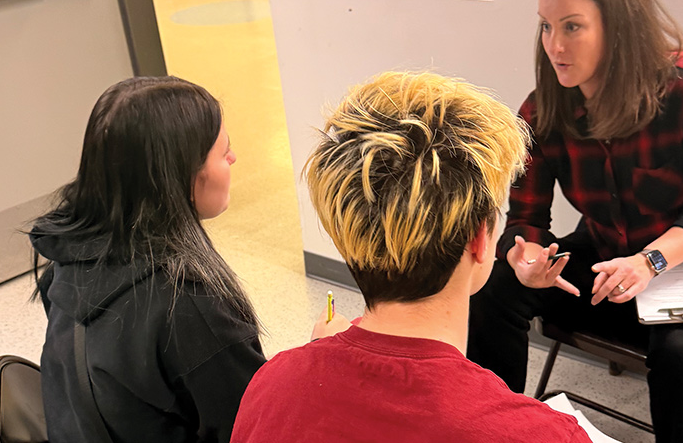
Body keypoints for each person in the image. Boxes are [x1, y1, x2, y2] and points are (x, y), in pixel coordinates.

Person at [466, 0, 683, 443]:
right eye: (546, 26)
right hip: (609, 262)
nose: (554, 45)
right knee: (492, 288)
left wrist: (649, 263)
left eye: (572, 26)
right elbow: (526, 216)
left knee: (682, 354)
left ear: (618, 25)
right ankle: (497, 432)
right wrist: (527, 258)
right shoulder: (543, 110)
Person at [231, 72, 591, 443]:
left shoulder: (270, 387)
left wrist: (314, 364)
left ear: (348, 230)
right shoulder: (546, 434)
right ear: (480, 239)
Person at [31, 76, 266, 442]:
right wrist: (313, 366)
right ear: (182, 177)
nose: (233, 158)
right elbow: (258, 426)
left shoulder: (66, 259)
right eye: (223, 152)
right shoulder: (190, 308)